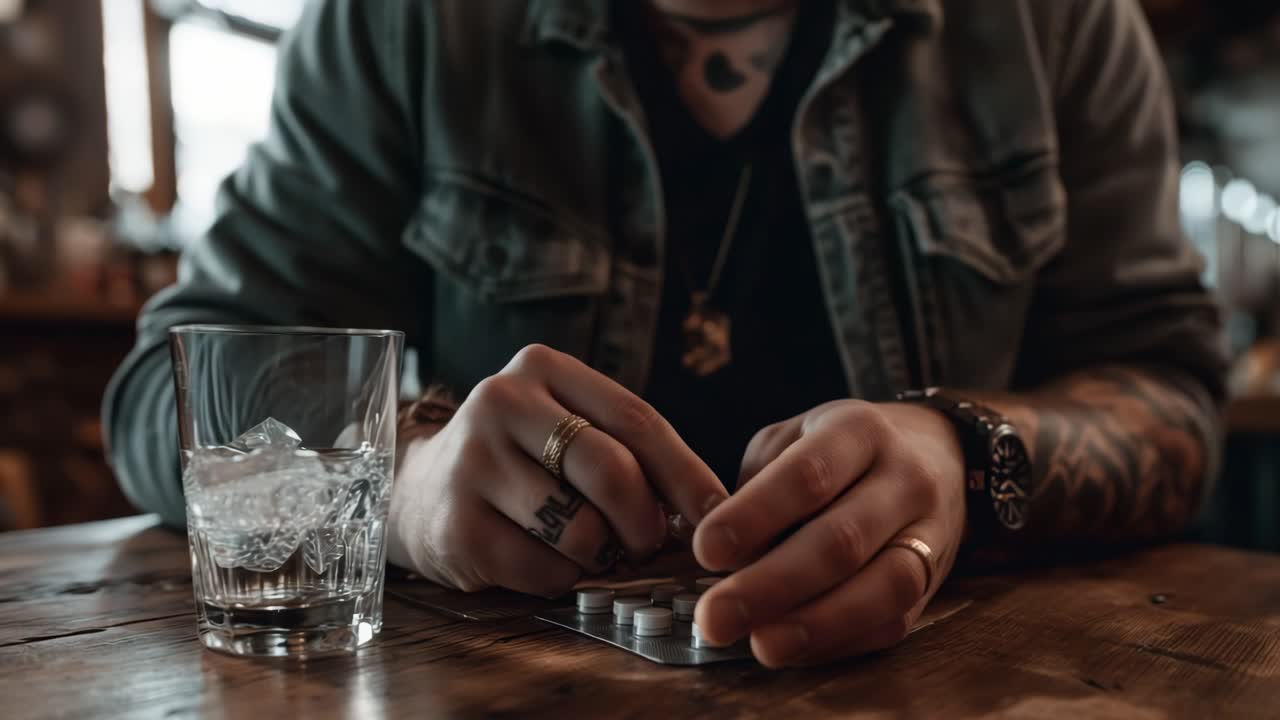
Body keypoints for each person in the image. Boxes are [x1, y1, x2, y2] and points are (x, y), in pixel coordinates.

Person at [104, 0, 1226, 668]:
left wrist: (958, 452)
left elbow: (1169, 392)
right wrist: (398, 475)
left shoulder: (1054, 23)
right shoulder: (402, 21)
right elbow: (171, 391)